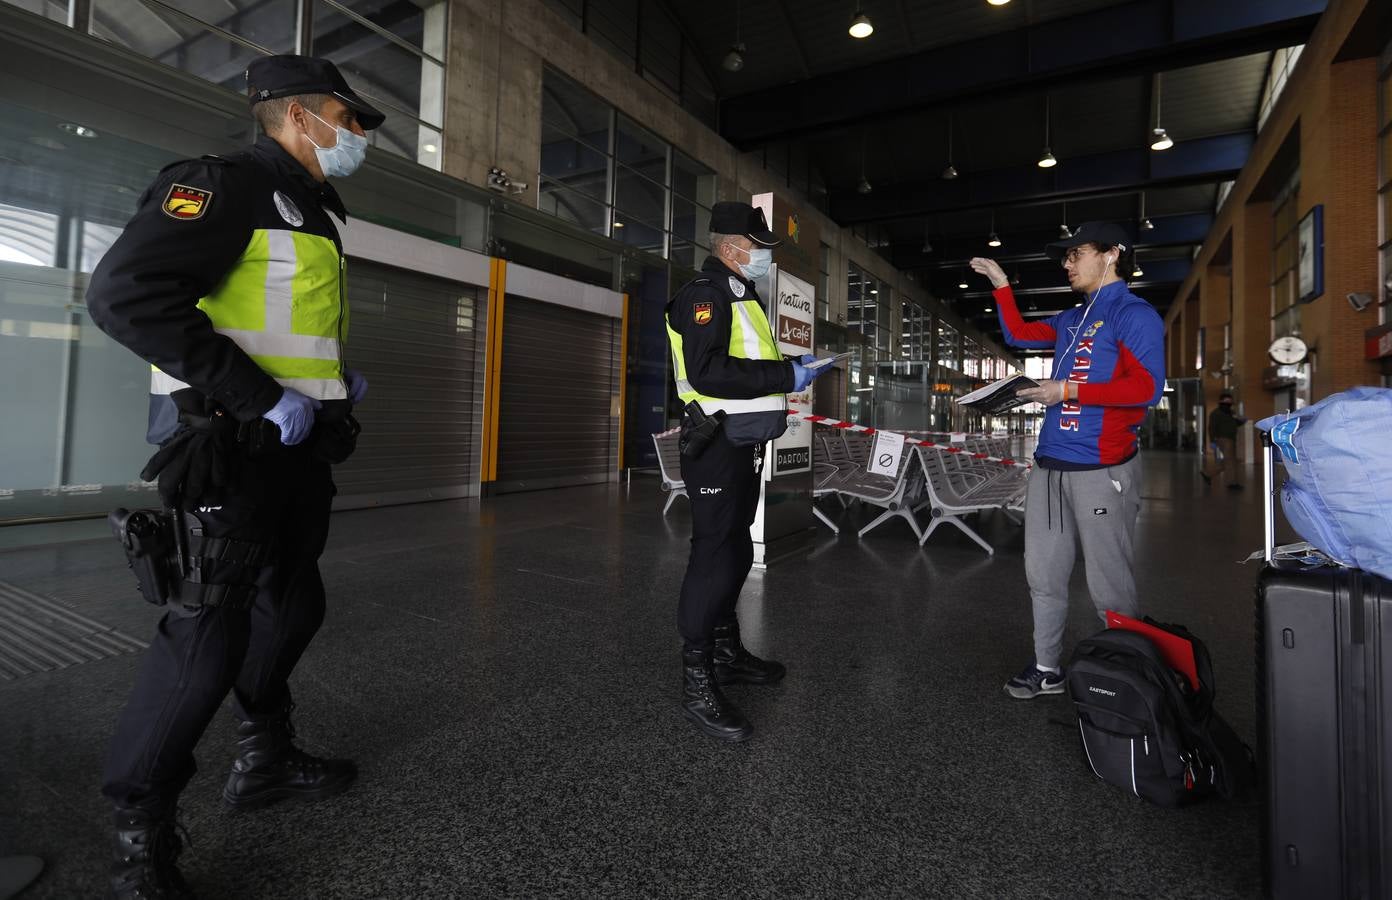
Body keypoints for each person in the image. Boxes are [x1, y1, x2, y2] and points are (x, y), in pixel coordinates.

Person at [86, 55, 385, 899]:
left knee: (293, 604)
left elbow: (272, 320)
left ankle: (265, 756)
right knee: (206, 634)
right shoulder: (222, 185)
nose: (357, 133)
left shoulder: (311, 209)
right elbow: (126, 296)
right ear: (297, 116)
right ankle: (139, 837)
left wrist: (331, 378)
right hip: (230, 448)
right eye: (347, 115)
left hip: (296, 451)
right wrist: (259, 396)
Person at [970, 221, 1165, 700]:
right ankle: (1046, 668)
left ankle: (1128, 679)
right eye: (1066, 256)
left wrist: (1069, 389)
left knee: (1109, 583)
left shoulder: (1133, 315)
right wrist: (1001, 285)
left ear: (1112, 255)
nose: (1067, 263)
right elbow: (1017, 333)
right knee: (1043, 575)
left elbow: (1148, 388)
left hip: (1102, 470)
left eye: (1076, 253)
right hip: (1050, 466)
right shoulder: (1074, 318)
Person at [665, 201, 828, 741]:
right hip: (715, 442)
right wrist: (787, 373)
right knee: (713, 550)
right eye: (756, 246)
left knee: (734, 546)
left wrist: (788, 376)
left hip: (743, 441)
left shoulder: (741, 294)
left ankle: (727, 652)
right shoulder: (705, 296)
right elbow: (707, 371)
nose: (762, 255)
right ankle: (696, 679)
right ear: (732, 246)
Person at [1201, 392, 1246, 489]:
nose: (1229, 403)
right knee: (1230, 462)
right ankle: (1232, 483)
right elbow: (1211, 427)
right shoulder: (1216, 413)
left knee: (1228, 461)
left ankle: (1208, 474)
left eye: (1230, 401)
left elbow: (1234, 424)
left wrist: (1241, 422)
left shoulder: (1230, 413)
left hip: (1231, 439)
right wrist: (1212, 440)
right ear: (1221, 401)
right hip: (1223, 439)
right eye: (1226, 401)